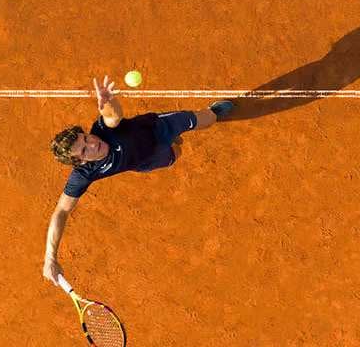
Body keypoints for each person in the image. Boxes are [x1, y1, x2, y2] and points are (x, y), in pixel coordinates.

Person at [41, 75, 234, 286]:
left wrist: (108, 102)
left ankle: (212, 112)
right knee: (176, 153)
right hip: (147, 159)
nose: (93, 144)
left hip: (156, 127)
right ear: (79, 161)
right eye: (85, 150)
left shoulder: (103, 131)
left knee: (205, 119)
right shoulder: (84, 175)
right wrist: (50, 257)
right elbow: (61, 211)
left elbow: (112, 117)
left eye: (86, 138)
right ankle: (174, 142)